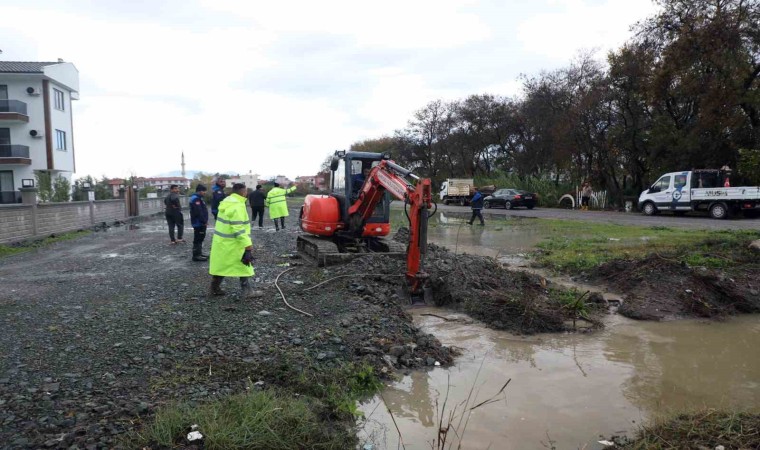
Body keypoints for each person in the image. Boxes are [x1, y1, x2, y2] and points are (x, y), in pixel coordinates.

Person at [208, 183, 260, 298]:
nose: (246, 193)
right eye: (246, 191)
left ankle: (214, 288)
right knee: (244, 264)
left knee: (221, 265)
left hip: (222, 242)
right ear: (243, 192)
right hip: (233, 243)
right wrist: (247, 244)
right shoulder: (237, 206)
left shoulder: (227, 201)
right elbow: (238, 228)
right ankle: (247, 291)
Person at [189, 184, 209, 261]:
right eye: (204, 191)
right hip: (198, 223)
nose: (205, 193)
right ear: (200, 191)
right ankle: (196, 255)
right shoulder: (196, 199)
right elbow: (198, 212)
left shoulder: (198, 198)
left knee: (200, 238)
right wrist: (204, 221)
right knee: (198, 238)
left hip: (199, 222)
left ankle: (199, 253)